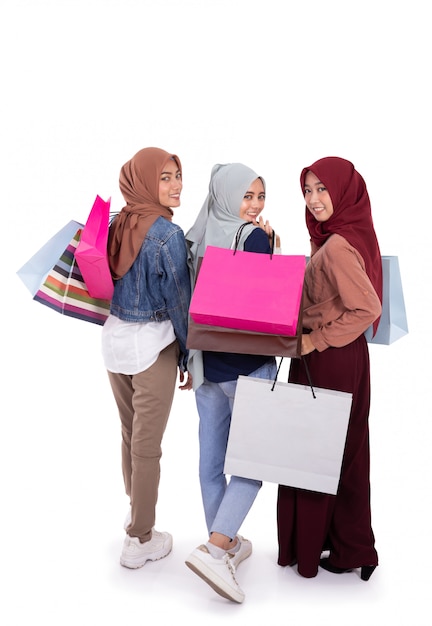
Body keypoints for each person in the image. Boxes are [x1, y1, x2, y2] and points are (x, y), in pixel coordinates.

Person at [277, 156, 382, 581]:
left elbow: (367, 306)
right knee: (346, 453)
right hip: (344, 356)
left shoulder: (337, 245)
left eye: (323, 189)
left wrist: (314, 340)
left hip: (329, 357)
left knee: (314, 452)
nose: (314, 199)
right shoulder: (342, 235)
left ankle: (331, 547)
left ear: (342, 192)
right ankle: (352, 546)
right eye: (308, 190)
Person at [184, 163, 280, 603]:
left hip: (206, 369)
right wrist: (272, 247)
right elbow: (268, 302)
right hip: (249, 369)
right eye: (247, 196)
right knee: (253, 465)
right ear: (227, 195)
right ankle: (218, 550)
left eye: (259, 196)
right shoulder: (255, 237)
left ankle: (224, 542)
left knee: (211, 462)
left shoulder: (198, 236)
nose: (255, 205)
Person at [102, 147, 193, 569]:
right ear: (145, 181)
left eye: (177, 176)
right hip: (153, 346)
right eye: (165, 178)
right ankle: (141, 537)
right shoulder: (166, 236)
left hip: (115, 344)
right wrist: (188, 355)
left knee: (130, 432)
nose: (176, 185)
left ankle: (135, 509)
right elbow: (179, 304)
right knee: (147, 447)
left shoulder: (118, 223)